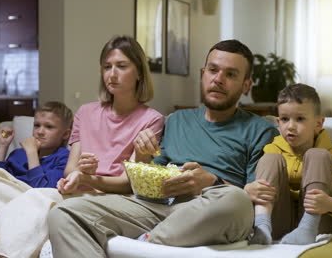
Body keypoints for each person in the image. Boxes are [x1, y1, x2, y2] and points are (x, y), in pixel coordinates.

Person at [47, 39, 279, 258]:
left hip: (211, 208)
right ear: (202, 74)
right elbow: (144, 183)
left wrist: (211, 182)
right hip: (155, 206)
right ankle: (155, 241)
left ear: (246, 84)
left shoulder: (261, 130)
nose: (218, 79)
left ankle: (145, 244)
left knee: (234, 200)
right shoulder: (176, 120)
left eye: (230, 74)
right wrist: (142, 154)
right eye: (213, 70)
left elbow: (252, 195)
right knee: (64, 213)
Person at [0, 35, 165, 258]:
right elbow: (71, 169)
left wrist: (88, 179)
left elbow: (130, 185)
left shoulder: (151, 119)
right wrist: (81, 172)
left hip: (107, 202)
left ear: (139, 72)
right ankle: (38, 213)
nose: (112, 73)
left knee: (39, 198)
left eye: (121, 66)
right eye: (107, 67)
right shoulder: (86, 112)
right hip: (72, 193)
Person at [248, 83, 332, 245]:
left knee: (318, 155)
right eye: (284, 119)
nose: (291, 126)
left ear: (318, 123)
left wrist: (329, 203)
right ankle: (262, 227)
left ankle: (307, 227)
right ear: (278, 122)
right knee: (270, 158)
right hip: (280, 222)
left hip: (317, 222)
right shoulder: (273, 148)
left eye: (300, 119)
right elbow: (263, 186)